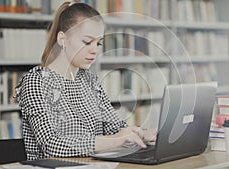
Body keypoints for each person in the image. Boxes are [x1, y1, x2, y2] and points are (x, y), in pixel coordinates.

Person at [16, 2, 156, 160]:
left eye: (98, 43)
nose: (95, 50)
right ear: (62, 39)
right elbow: (51, 145)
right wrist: (114, 141)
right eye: (87, 42)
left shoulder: (89, 80)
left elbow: (114, 127)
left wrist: (141, 135)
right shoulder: (36, 82)